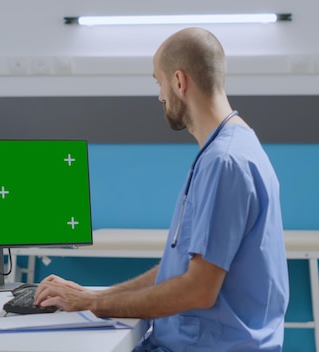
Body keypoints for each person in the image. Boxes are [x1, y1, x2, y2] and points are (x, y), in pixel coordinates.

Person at [34, 27, 289, 351]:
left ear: (179, 82)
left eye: (159, 82)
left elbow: (197, 290)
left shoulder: (223, 162)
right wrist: (95, 295)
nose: (160, 96)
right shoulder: (235, 146)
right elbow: (180, 270)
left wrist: (92, 306)